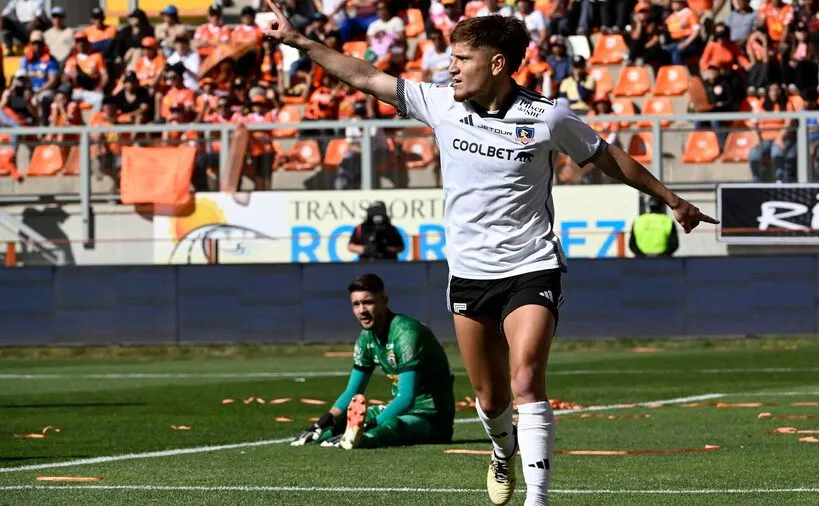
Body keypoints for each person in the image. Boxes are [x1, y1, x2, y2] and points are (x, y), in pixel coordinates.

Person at [262, 3, 716, 505]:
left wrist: (673, 199)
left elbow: (607, 156)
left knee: (526, 379)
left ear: (497, 64)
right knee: (491, 397)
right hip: (470, 275)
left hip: (532, 266)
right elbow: (366, 76)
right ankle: (503, 453)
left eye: (461, 58)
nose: (449, 67)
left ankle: (537, 499)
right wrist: (299, 42)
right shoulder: (440, 103)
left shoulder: (548, 117)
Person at [291, 274, 456, 450]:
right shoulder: (366, 338)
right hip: (401, 412)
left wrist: (368, 426)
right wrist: (323, 422)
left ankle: (362, 440)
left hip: (431, 419)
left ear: (384, 301)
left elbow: (406, 398)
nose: (362, 310)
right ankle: (330, 435)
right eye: (356, 304)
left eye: (368, 302)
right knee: (335, 426)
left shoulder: (406, 334)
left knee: (389, 425)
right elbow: (353, 391)